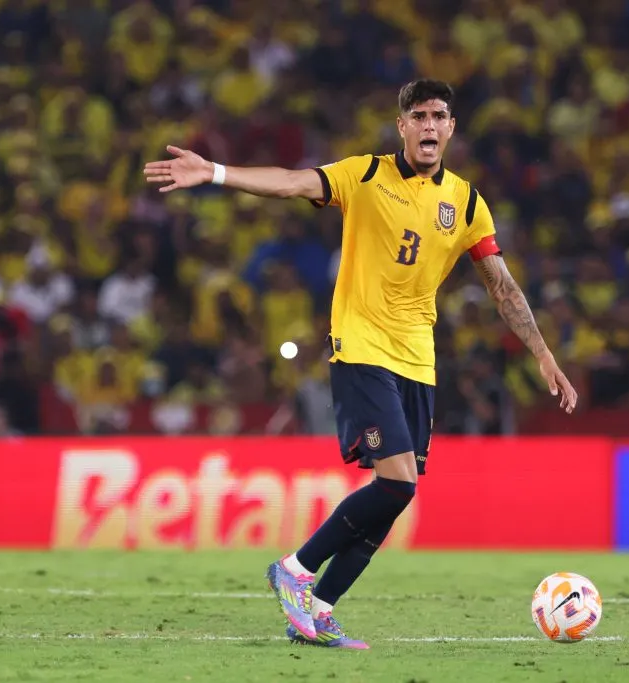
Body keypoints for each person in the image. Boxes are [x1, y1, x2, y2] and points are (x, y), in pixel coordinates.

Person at [144, 79, 578, 649]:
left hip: (417, 362)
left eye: (438, 116)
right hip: (362, 348)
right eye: (418, 115)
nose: (428, 125)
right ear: (402, 126)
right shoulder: (365, 175)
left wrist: (543, 353)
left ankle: (320, 609)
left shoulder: (467, 203)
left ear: (451, 128)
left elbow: (502, 287)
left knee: (397, 493)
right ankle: (296, 569)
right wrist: (216, 172)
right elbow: (292, 183)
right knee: (396, 482)